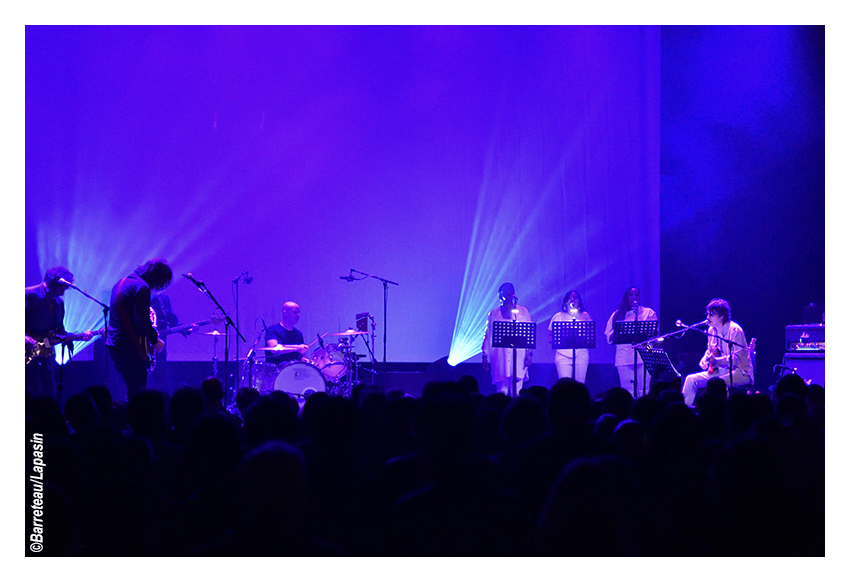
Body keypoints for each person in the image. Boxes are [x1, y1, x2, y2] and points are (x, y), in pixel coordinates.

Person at [106, 258, 173, 400]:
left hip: (114, 344)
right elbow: (142, 322)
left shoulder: (120, 283)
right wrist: (155, 341)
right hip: (129, 346)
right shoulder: (141, 287)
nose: (157, 287)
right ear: (156, 278)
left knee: (132, 387)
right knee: (137, 390)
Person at [25, 266, 94, 396]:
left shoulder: (59, 304)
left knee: (49, 393)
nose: (62, 293)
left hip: (46, 355)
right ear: (52, 282)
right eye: (61, 288)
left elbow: (60, 332)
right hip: (26, 354)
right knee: (33, 393)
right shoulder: (28, 295)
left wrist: (80, 336)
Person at [682, 298, 753, 407]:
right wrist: (704, 360)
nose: (707, 317)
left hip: (740, 372)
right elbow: (710, 351)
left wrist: (716, 361)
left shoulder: (735, 330)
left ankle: (718, 413)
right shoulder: (711, 330)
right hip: (720, 371)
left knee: (717, 384)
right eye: (707, 314)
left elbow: (734, 360)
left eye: (711, 314)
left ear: (722, 316)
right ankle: (685, 411)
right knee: (691, 380)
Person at [482, 283, 533, 396]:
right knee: (502, 391)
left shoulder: (523, 312)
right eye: (504, 291)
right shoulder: (494, 313)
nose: (507, 293)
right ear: (500, 295)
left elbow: (529, 333)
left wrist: (529, 354)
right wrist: (484, 355)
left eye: (510, 291)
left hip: (518, 355)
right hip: (500, 355)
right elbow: (488, 335)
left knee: (517, 391)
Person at [604, 287, 657, 395]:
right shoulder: (618, 314)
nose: (634, 297)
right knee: (627, 391)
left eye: (636, 295)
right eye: (631, 295)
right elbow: (609, 334)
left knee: (644, 390)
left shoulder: (648, 313)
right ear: (626, 297)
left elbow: (654, 333)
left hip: (644, 356)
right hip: (624, 357)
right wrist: (619, 332)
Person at [548, 290, 593, 383]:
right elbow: (550, 336)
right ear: (566, 301)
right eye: (570, 298)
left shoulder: (585, 316)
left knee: (580, 383)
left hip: (581, 353)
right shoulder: (558, 316)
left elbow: (592, 336)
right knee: (564, 384)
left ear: (579, 301)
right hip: (562, 354)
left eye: (575, 298)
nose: (572, 300)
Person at [265, 301, 309, 366]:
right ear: (285, 313)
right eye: (294, 312)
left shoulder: (298, 334)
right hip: (275, 371)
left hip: (293, 371)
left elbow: (300, 355)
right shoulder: (272, 330)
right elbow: (274, 349)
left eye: (299, 313)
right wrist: (297, 347)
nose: (298, 315)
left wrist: (304, 359)